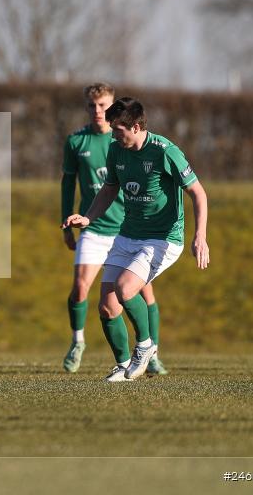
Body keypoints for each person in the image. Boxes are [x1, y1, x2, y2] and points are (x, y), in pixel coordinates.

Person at [63, 97, 209, 382]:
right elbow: (108, 190)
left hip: (162, 239)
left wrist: (200, 236)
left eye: (118, 130)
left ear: (137, 127)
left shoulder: (166, 152)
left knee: (125, 289)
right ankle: (122, 364)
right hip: (128, 234)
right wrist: (88, 218)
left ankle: (145, 346)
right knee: (106, 306)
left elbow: (198, 193)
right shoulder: (117, 151)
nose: (114, 136)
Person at [60, 84, 167, 375]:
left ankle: (151, 352)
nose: (98, 112)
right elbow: (69, 183)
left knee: (143, 292)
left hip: (128, 229)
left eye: (104, 106)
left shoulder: (130, 142)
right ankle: (78, 342)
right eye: (93, 106)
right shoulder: (77, 142)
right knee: (82, 288)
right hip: (94, 228)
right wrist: (67, 222)